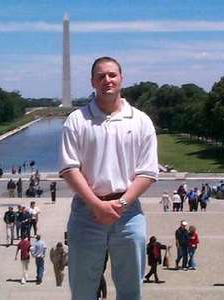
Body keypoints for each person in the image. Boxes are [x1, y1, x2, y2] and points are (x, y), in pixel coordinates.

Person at [59, 56, 158, 300]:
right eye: (101, 76)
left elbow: (147, 172)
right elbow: (69, 168)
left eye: (112, 75)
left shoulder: (141, 120)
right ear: (92, 81)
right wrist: (96, 204)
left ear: (121, 79)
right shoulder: (76, 120)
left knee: (131, 289)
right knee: (82, 289)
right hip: (86, 212)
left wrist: (120, 204)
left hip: (129, 211)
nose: (107, 80)